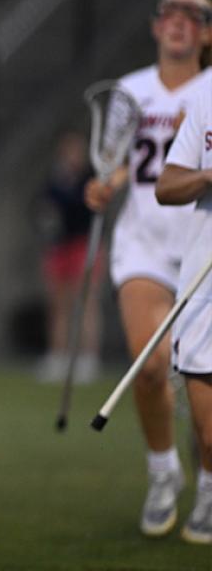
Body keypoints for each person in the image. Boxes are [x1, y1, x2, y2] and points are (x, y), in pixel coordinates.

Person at [85, 0, 212, 537]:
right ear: (157, 26)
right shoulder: (131, 90)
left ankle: (208, 487)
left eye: (194, 15)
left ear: (206, 32)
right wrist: (104, 185)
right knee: (150, 363)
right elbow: (118, 161)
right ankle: (164, 472)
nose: (180, 22)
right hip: (144, 242)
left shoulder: (211, 91)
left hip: (202, 244)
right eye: (170, 13)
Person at [155, 79, 212, 545]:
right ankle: (209, 490)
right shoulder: (206, 104)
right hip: (205, 286)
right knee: (208, 433)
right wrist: (211, 176)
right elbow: (168, 185)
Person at [34, 128, 100, 384]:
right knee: (58, 305)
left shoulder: (88, 178)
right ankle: (58, 356)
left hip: (82, 244)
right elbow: (43, 205)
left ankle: (87, 358)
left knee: (85, 302)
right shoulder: (55, 177)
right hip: (59, 246)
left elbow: (85, 209)